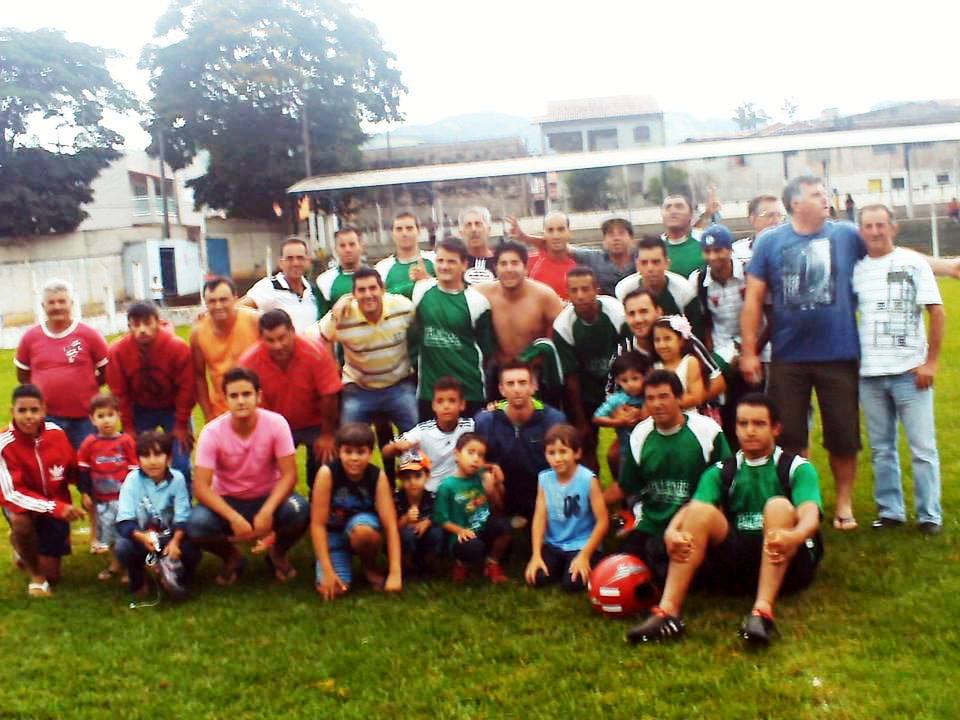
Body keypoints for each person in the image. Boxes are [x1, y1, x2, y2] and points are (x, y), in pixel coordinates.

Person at [627, 394, 823, 645]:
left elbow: (810, 513)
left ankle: (762, 612)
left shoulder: (797, 468)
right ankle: (668, 612)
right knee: (700, 513)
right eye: (743, 424)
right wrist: (671, 533)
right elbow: (692, 509)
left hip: (787, 559)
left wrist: (794, 536)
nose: (750, 431)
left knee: (778, 506)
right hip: (739, 562)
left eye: (759, 424)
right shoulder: (723, 471)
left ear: (776, 428)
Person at [740, 176, 865, 530]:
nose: (825, 198)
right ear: (795, 203)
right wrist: (750, 352)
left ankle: (843, 503)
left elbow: (888, 251)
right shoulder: (771, 242)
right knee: (791, 435)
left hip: (838, 353)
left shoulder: (845, 234)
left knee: (843, 434)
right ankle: (803, 502)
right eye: (816, 194)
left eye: (825, 192)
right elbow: (753, 299)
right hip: (789, 357)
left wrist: (947, 267)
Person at [854, 205, 945, 534]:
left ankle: (929, 515)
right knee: (881, 449)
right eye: (868, 226)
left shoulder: (914, 263)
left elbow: (936, 313)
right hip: (871, 375)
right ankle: (891, 511)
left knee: (922, 448)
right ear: (861, 231)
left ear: (893, 228)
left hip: (910, 373)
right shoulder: (857, 270)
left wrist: (931, 362)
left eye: (880, 225)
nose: (875, 231)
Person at [188, 367, 310, 585]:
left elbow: (290, 475)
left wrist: (267, 511)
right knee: (196, 524)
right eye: (234, 396)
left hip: (267, 495)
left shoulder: (276, 424)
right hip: (227, 499)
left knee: (299, 510)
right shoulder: (211, 432)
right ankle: (232, 558)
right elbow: (201, 487)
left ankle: (277, 554)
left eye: (247, 394)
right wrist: (233, 518)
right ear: (225, 399)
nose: (241, 401)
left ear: (258, 396)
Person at [610, 370, 732, 583]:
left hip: (692, 528)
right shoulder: (640, 434)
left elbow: (727, 483)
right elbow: (626, 485)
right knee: (618, 571)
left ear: (678, 397)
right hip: (652, 525)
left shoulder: (707, 431)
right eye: (650, 398)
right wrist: (593, 508)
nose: (656, 404)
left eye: (663, 396)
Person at [240, 309, 342, 492]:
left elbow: (329, 394)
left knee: (327, 465)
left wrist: (327, 435)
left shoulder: (315, 353)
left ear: (293, 331)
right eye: (270, 340)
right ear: (260, 338)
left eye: (282, 338)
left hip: (315, 422)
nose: (278, 345)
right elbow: (247, 404)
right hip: (275, 425)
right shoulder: (249, 363)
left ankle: (323, 508)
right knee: (265, 471)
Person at [1, 384, 83, 598]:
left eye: (34, 410)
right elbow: (12, 495)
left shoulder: (57, 434)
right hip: (24, 506)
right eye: (22, 411)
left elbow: (73, 469)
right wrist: (56, 508)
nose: (28, 416)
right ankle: (36, 576)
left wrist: (87, 492)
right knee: (21, 522)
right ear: (13, 412)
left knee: (54, 575)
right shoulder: (3, 444)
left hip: (55, 506)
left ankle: (23, 546)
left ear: (44, 410)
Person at [317, 266, 418, 437]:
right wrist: (332, 366)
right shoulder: (343, 314)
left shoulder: (403, 308)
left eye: (373, 288)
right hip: (359, 389)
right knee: (348, 439)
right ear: (354, 294)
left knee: (417, 439)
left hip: (398, 386)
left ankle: (411, 464)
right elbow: (322, 336)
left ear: (383, 290)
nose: (368, 294)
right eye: (361, 290)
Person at [310, 422, 402, 599]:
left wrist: (395, 573)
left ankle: (369, 566)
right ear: (339, 452)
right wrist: (328, 571)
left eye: (360, 452)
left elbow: (390, 525)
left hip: (361, 525)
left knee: (364, 534)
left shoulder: (377, 476)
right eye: (348, 452)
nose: (354, 458)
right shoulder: (326, 474)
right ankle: (329, 563)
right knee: (336, 590)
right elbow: (317, 525)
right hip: (333, 533)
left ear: (370, 453)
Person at [106, 301, 194, 485]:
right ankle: (143, 506)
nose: (143, 330)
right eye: (136, 325)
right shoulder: (118, 352)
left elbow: (187, 388)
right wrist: (128, 427)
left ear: (158, 322)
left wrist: (181, 424)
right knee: (135, 463)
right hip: (140, 409)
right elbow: (119, 393)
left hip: (173, 408)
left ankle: (184, 507)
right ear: (129, 326)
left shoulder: (177, 348)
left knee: (181, 464)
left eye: (147, 323)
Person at [15, 278, 109, 448]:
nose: (57, 307)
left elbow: (107, 370)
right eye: (51, 302)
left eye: (61, 301)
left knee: (85, 464)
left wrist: (86, 386)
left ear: (71, 304)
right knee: (54, 467)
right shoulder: (30, 338)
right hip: (47, 418)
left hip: (85, 417)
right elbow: (22, 374)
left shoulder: (89, 335)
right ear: (43, 306)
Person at [411, 238, 495, 418]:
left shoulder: (477, 302)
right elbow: (386, 294)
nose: (444, 266)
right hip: (430, 392)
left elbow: (487, 351)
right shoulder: (420, 290)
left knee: (471, 445)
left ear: (464, 264)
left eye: (451, 261)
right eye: (440, 261)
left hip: (469, 391)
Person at [473, 361, 567, 521]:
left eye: (522, 383)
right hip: (503, 488)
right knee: (485, 480)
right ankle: (498, 526)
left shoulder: (553, 420)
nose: (517, 389)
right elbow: (475, 461)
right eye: (510, 384)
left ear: (533, 386)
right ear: (501, 389)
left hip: (540, 489)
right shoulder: (485, 421)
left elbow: (565, 463)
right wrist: (488, 470)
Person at [471, 240, 564, 398]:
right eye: (503, 263)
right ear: (495, 268)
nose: (509, 269)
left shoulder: (544, 296)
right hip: (497, 373)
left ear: (525, 268)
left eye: (514, 263)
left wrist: (542, 354)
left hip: (535, 373)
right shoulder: (480, 293)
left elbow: (564, 335)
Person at [690, 225, 756, 446]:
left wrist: (748, 350)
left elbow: (764, 313)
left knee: (754, 405)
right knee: (726, 410)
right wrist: (710, 356)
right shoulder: (698, 279)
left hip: (754, 346)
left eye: (718, 250)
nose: (713, 257)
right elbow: (703, 322)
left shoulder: (749, 272)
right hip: (720, 349)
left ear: (729, 250)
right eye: (707, 252)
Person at [114, 430, 199, 600]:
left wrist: (175, 542)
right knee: (123, 548)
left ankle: (176, 576)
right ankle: (139, 576)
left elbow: (183, 517)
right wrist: (142, 537)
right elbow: (124, 521)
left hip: (169, 538)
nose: (152, 461)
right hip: (142, 538)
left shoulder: (178, 479)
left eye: (158, 454)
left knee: (193, 551)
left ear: (169, 458)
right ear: (138, 459)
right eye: (145, 455)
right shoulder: (131, 480)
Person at [554, 266, 625, 468]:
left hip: (621, 388)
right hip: (587, 394)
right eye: (574, 290)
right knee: (586, 444)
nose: (580, 295)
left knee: (621, 447)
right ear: (567, 293)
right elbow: (571, 377)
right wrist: (580, 420)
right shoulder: (563, 325)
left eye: (586, 289)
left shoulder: (616, 311)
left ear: (597, 289)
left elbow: (629, 357)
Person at [524, 424, 608, 592]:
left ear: (576, 453)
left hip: (581, 544)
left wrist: (584, 555)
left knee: (572, 584)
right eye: (551, 453)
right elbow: (540, 518)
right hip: (555, 544)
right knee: (538, 578)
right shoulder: (544, 479)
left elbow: (603, 522)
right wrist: (536, 555)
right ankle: (560, 564)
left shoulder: (587, 479)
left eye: (563, 451)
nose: (557, 458)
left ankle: (586, 562)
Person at [434, 432, 513, 583]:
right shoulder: (447, 486)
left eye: (481, 455)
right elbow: (441, 519)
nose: (476, 458)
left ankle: (492, 562)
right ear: (457, 454)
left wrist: (496, 486)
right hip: (462, 534)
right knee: (473, 548)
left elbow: (498, 507)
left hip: (483, 527)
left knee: (505, 528)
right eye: (470, 452)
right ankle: (460, 564)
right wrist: (460, 530)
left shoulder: (483, 477)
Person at [76, 394, 138, 578]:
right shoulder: (89, 443)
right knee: (110, 534)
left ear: (118, 415)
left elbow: (134, 470)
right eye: (101, 416)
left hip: (124, 500)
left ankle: (129, 568)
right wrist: (86, 493)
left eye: (110, 415)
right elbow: (83, 471)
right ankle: (115, 564)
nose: (106, 420)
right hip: (102, 500)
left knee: (126, 533)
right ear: (92, 419)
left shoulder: (126, 441)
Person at [382, 375, 475, 492]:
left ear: (462, 404)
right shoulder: (422, 431)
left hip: (461, 490)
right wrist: (397, 446)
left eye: (452, 401)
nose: (446, 406)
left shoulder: (471, 427)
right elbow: (385, 452)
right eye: (440, 401)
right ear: (433, 405)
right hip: (431, 492)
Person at [509, 215, 637, 296]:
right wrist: (524, 237)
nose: (616, 238)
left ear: (632, 238)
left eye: (621, 233)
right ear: (604, 240)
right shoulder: (594, 258)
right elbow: (557, 245)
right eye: (610, 234)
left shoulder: (642, 259)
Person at [190, 276, 260, 421]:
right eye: (212, 301)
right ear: (205, 303)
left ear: (235, 299)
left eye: (223, 300)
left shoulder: (255, 321)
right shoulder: (198, 333)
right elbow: (198, 377)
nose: (218, 306)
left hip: (258, 406)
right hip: (221, 410)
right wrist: (208, 414)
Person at [614, 235, 704, 340]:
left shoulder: (685, 292)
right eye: (644, 263)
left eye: (656, 262)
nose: (650, 268)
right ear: (637, 265)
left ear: (667, 263)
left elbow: (695, 334)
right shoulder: (624, 290)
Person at [239, 236, 319, 333]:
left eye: (300, 258)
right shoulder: (268, 286)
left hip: (310, 347)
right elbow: (237, 309)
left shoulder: (314, 290)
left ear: (307, 261)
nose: (295, 263)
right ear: (281, 263)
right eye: (289, 258)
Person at [393, 449, 444, 577]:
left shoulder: (432, 497)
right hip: (404, 539)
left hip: (425, 538)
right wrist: (405, 519)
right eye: (407, 477)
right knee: (407, 534)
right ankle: (407, 566)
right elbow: (390, 528)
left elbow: (441, 517)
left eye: (417, 476)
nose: (412, 481)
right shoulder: (396, 499)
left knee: (436, 532)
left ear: (427, 476)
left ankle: (429, 564)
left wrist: (428, 522)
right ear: (400, 478)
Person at [375, 212, 436, 298]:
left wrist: (427, 280)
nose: (404, 233)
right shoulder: (382, 268)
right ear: (392, 234)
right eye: (399, 229)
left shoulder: (434, 259)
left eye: (409, 228)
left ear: (418, 231)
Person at [316, 225, 366, 317]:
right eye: (342, 246)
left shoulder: (377, 275)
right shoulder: (324, 281)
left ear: (361, 246)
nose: (347, 250)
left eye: (352, 244)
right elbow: (322, 320)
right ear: (335, 249)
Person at [528, 211, 578, 300]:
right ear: (543, 234)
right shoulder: (529, 264)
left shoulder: (582, 263)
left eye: (561, 229)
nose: (556, 236)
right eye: (550, 230)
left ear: (569, 232)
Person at [660, 192, 705, 279]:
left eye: (679, 206)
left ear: (691, 214)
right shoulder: (655, 246)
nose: (673, 211)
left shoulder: (705, 241)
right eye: (668, 207)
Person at [733, 195, 784, 262]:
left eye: (779, 215)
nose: (776, 221)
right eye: (770, 215)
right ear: (753, 219)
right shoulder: (737, 252)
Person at [458, 206, 497, 285]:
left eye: (478, 224)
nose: (473, 229)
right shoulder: (455, 263)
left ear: (489, 230)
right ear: (461, 233)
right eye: (468, 225)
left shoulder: (501, 262)